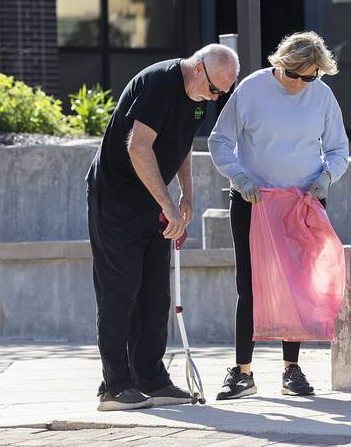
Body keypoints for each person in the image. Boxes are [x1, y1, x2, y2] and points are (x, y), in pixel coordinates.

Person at [86, 44, 239, 411]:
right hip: (116, 199)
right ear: (198, 67)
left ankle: (151, 379)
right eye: (215, 89)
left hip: (153, 201)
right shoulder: (159, 82)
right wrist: (168, 204)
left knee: (155, 295)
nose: (216, 97)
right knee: (120, 291)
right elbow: (139, 147)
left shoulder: (198, 96)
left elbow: (182, 144)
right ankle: (114, 385)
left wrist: (187, 194)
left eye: (223, 93)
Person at [208, 31, 349, 399]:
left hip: (303, 200)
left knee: (297, 283)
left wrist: (326, 177)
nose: (301, 84)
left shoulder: (322, 96)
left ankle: (291, 369)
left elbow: (338, 148)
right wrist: (238, 176)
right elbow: (219, 140)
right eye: (295, 75)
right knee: (249, 284)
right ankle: (242, 372)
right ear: (280, 64)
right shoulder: (252, 89)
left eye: (310, 77)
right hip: (253, 200)